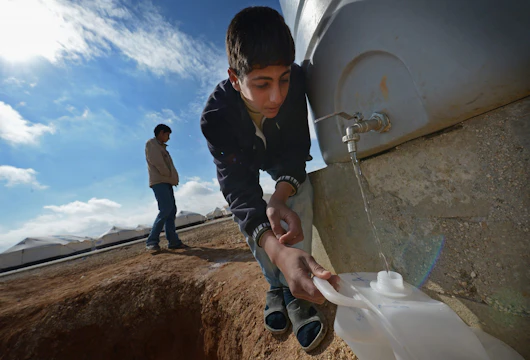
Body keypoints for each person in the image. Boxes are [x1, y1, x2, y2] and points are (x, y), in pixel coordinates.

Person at [200, 7, 338, 352]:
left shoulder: (296, 85)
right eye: (262, 84)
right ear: (235, 78)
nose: (277, 96)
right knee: (253, 218)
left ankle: (297, 287)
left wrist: (280, 196)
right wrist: (275, 250)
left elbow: (297, 150)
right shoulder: (216, 117)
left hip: (278, 158)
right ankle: (276, 285)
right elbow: (240, 192)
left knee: (297, 194)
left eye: (284, 79)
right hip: (245, 161)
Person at [145, 124, 188, 251]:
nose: (168, 138)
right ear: (161, 133)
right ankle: (152, 241)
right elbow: (157, 162)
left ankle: (173, 241)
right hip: (159, 181)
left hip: (166, 181)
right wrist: (169, 175)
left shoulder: (162, 148)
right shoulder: (152, 144)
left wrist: (172, 178)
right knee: (165, 209)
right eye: (167, 135)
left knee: (171, 211)